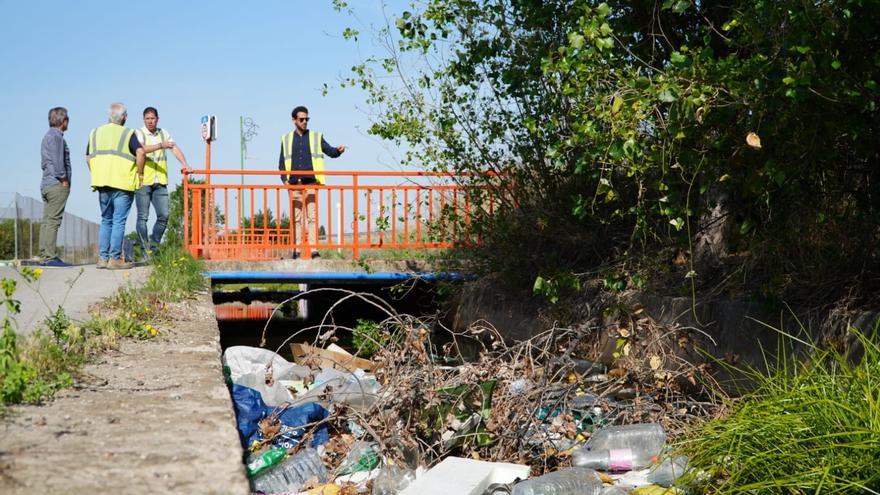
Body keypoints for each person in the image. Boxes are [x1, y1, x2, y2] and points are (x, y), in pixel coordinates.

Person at [278, 105, 345, 259]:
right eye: (301, 119)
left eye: (307, 119)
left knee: (312, 218)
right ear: (294, 120)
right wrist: (285, 181)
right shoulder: (286, 139)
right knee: (296, 219)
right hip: (294, 185)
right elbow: (281, 163)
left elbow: (330, 151)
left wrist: (338, 151)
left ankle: (314, 250)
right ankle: (296, 250)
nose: (305, 122)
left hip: (311, 184)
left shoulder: (316, 137)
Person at [86, 103, 145, 270]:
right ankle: (115, 258)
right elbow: (141, 153)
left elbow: (88, 157)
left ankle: (102, 259)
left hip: (102, 183)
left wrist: (96, 173)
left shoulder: (95, 132)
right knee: (119, 220)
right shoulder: (128, 133)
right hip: (122, 183)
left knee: (106, 220)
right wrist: (140, 174)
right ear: (124, 117)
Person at [134, 106, 189, 258]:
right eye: (147, 119)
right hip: (143, 180)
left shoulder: (164, 133)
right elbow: (141, 149)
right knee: (142, 217)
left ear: (157, 119)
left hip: (161, 181)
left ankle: (153, 248)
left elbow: (174, 148)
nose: (150, 121)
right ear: (143, 119)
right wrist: (160, 145)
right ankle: (145, 251)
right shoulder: (138, 133)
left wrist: (185, 164)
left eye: (152, 118)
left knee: (164, 216)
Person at [38, 107, 72, 266]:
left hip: (46, 183)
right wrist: (63, 179)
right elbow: (59, 162)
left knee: (46, 220)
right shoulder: (57, 137)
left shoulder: (47, 136)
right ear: (63, 121)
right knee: (53, 221)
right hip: (56, 183)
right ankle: (50, 257)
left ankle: (44, 254)